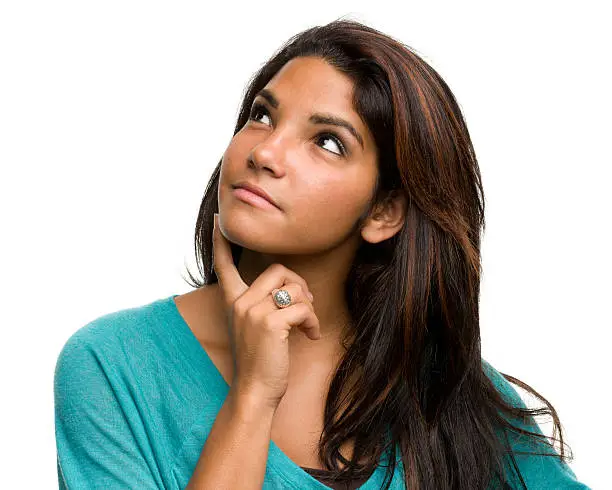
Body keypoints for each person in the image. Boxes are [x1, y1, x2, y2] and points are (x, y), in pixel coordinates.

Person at [54, 18, 591, 490]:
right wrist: (254, 395)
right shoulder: (113, 365)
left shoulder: (449, 390)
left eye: (328, 142)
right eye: (262, 116)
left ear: (384, 211)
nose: (264, 151)